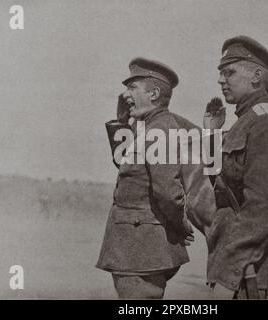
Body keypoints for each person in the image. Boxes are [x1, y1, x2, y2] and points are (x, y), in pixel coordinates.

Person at [96, 57, 207, 299]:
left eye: (132, 87)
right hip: (139, 244)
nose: (125, 94)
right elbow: (127, 167)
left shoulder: (160, 129)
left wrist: (181, 225)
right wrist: (121, 123)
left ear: (154, 93)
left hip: (141, 248)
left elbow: (167, 191)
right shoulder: (148, 126)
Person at [204, 36, 268, 299]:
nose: (221, 80)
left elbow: (261, 207)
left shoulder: (265, 122)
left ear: (257, 76)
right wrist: (212, 135)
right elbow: (220, 186)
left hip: (253, 267)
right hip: (236, 257)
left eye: (229, 72)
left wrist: (229, 273)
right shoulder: (246, 120)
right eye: (221, 74)